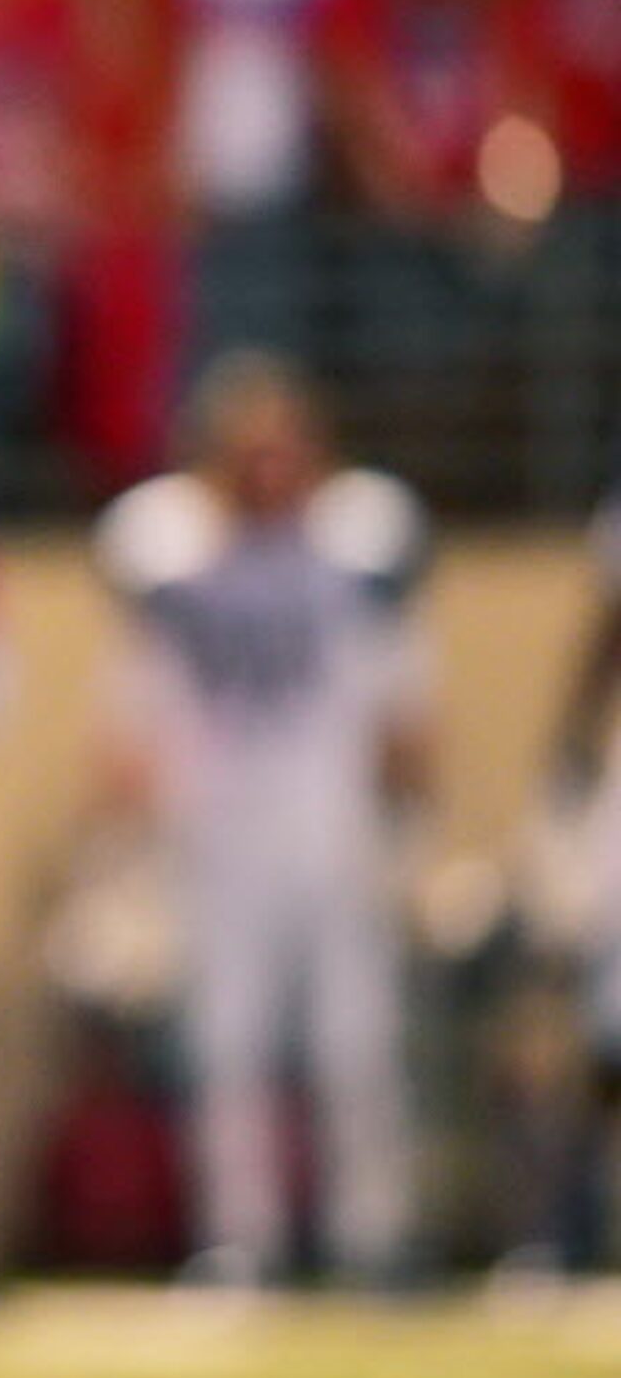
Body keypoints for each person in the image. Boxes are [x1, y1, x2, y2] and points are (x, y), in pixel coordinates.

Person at [92, 351, 432, 1290]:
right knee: (227, 1043)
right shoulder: (171, 548)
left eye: (284, 447)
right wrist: (121, 835)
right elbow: (136, 703)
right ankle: (243, 1238)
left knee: (356, 1038)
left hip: (331, 818)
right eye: (249, 449)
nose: (268, 468)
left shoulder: (359, 541)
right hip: (220, 826)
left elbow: (400, 702)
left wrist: (415, 827)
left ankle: (374, 1233)